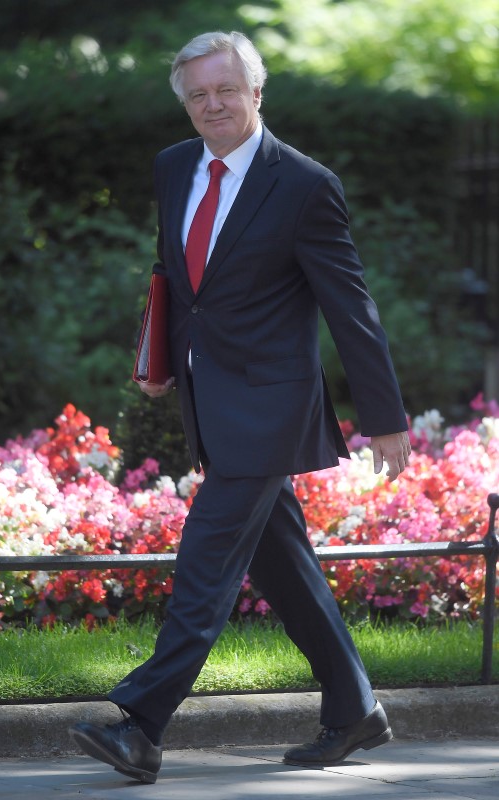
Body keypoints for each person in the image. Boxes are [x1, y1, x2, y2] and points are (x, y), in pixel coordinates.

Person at [70, 30, 411, 785]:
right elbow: (172, 271)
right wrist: (153, 358)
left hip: (272, 405)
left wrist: (384, 416)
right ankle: (355, 709)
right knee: (280, 562)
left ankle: (141, 725)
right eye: (197, 94)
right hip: (207, 399)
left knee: (206, 562)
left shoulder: (303, 184)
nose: (212, 104)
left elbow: (348, 307)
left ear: (256, 92)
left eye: (226, 90)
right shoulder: (172, 167)